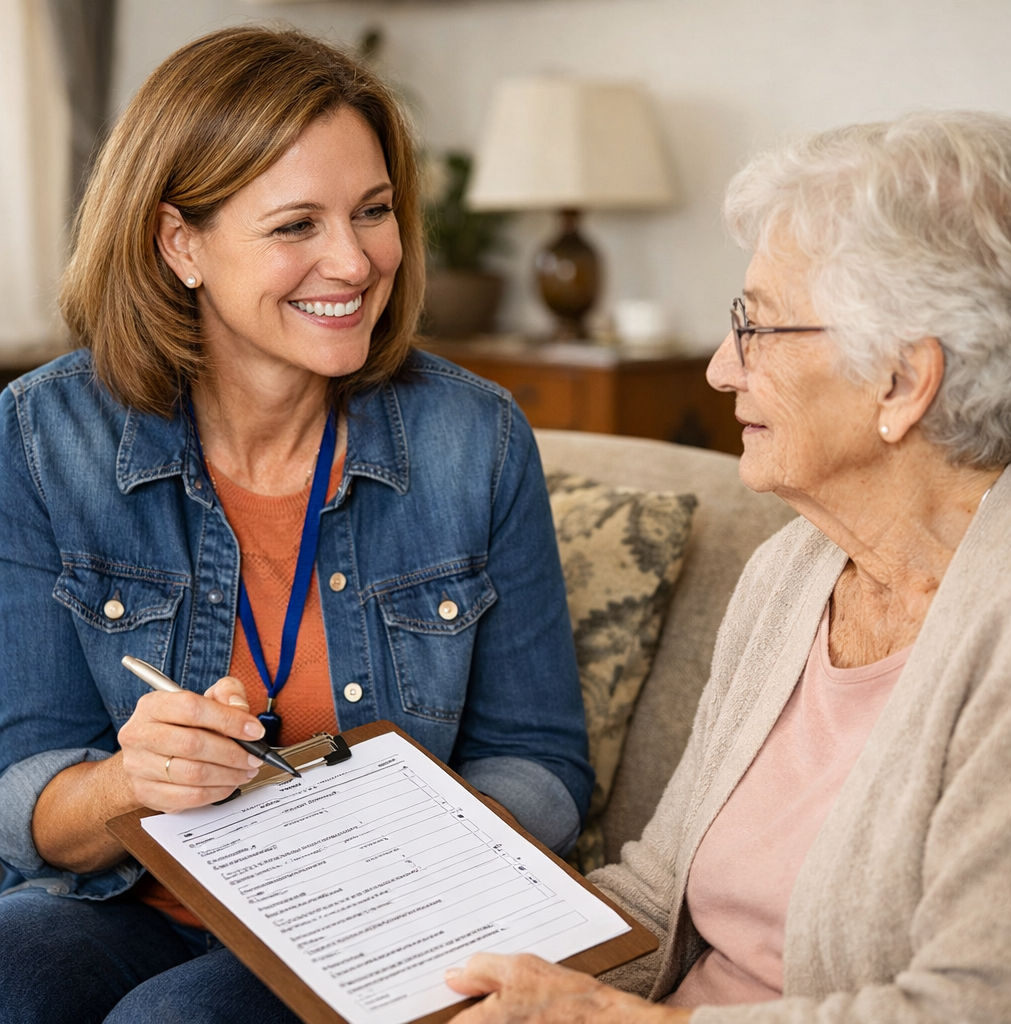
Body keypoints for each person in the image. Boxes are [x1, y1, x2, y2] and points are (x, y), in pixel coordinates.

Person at [0, 25, 592, 1024]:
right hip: (127, 902)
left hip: (371, 920)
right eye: (296, 226)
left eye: (373, 212)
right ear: (180, 243)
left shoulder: (475, 437)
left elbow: (543, 762)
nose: (353, 262)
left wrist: (405, 853)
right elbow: (26, 794)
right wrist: (130, 782)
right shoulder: (41, 435)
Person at [443, 109, 1011, 1022]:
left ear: (903, 381)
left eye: (757, 328)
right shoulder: (791, 571)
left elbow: (973, 1005)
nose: (720, 369)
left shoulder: (1008, 633)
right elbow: (656, 891)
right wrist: (444, 964)